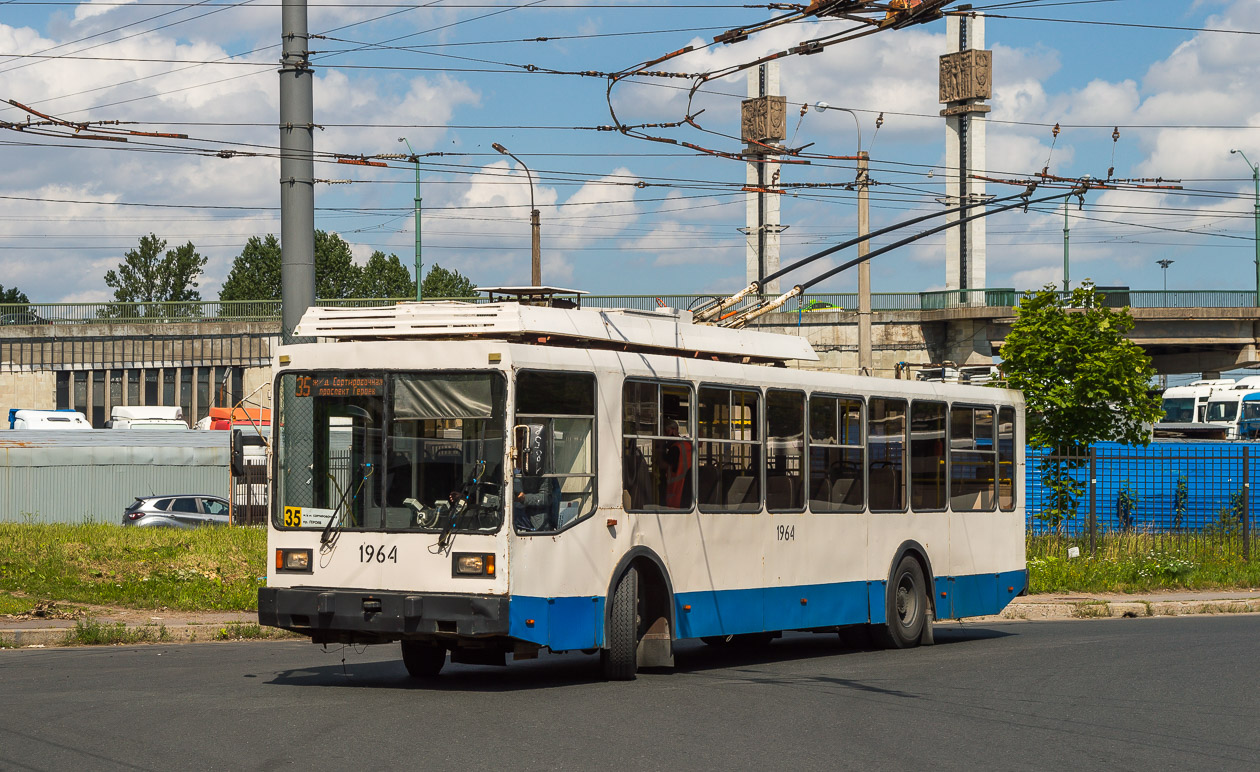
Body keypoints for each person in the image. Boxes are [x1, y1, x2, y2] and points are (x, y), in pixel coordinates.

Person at [661, 418, 692, 509]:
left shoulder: (675, 448)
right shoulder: (687, 444)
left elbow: (663, 465)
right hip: (690, 489)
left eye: (666, 432)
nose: (665, 436)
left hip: (677, 491)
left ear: (673, 431)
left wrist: (659, 451)